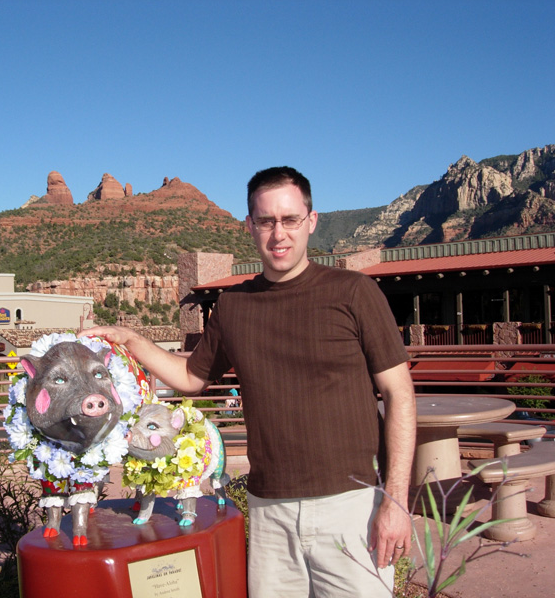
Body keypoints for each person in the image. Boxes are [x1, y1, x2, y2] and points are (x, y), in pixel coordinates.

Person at [80, 166, 416, 597]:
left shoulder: (354, 293)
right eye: (266, 221)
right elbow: (190, 376)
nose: (279, 233)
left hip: (351, 508)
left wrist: (396, 501)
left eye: (290, 219)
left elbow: (399, 396)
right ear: (249, 226)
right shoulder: (234, 306)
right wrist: (131, 339)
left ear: (311, 222)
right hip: (270, 512)